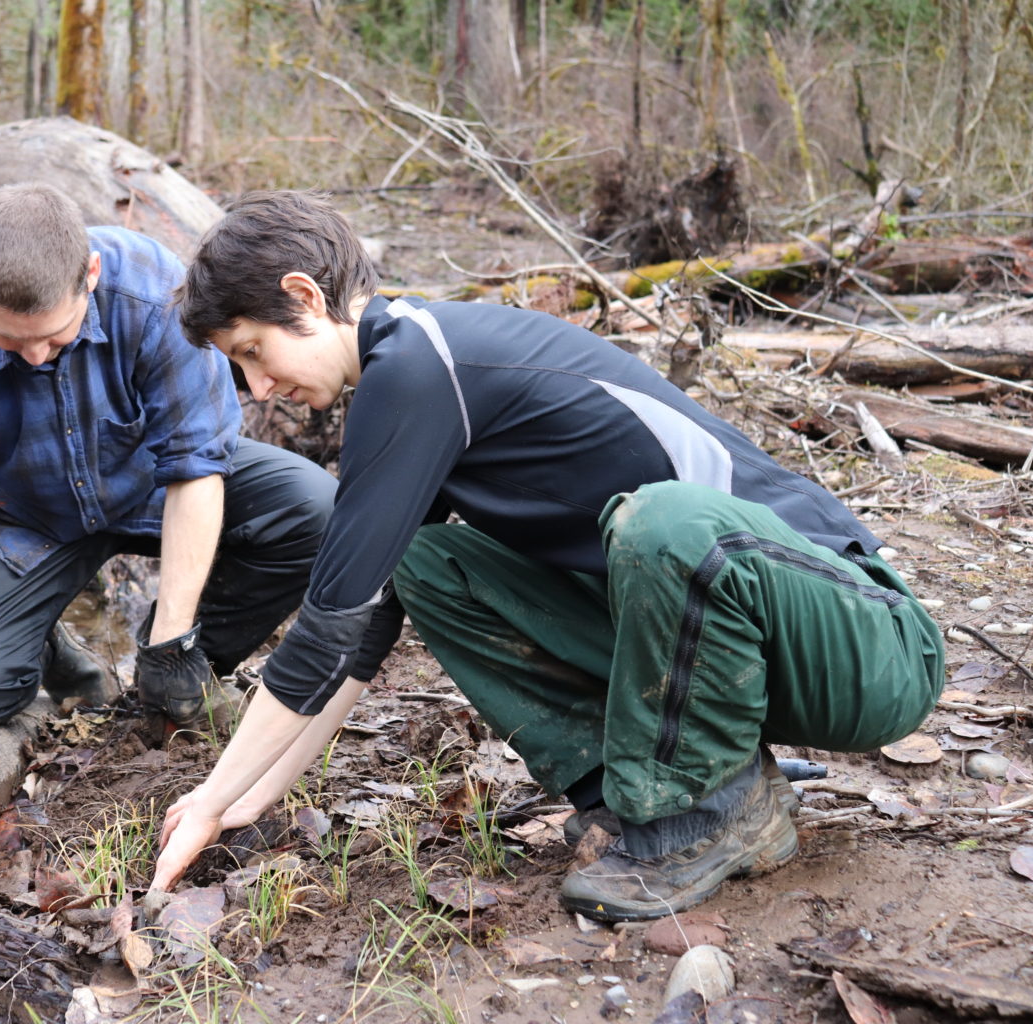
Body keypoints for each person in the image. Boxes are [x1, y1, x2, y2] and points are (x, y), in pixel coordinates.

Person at [149, 190, 945, 921]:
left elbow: (319, 630)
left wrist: (211, 799)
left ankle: (704, 814)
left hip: (867, 648)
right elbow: (358, 632)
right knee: (430, 563)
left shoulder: (425, 369)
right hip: (745, 661)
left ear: (305, 297)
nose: (256, 387)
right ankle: (645, 794)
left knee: (660, 523)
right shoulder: (414, 379)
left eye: (253, 352)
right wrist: (252, 795)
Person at [0, 184, 337, 782]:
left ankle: (184, 673)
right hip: (28, 521)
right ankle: (46, 643)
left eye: (55, 337)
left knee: (315, 510)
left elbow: (195, 467)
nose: (35, 358)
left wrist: (173, 642)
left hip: (156, 488)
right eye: (10, 340)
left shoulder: (152, 289)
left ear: (91, 274)